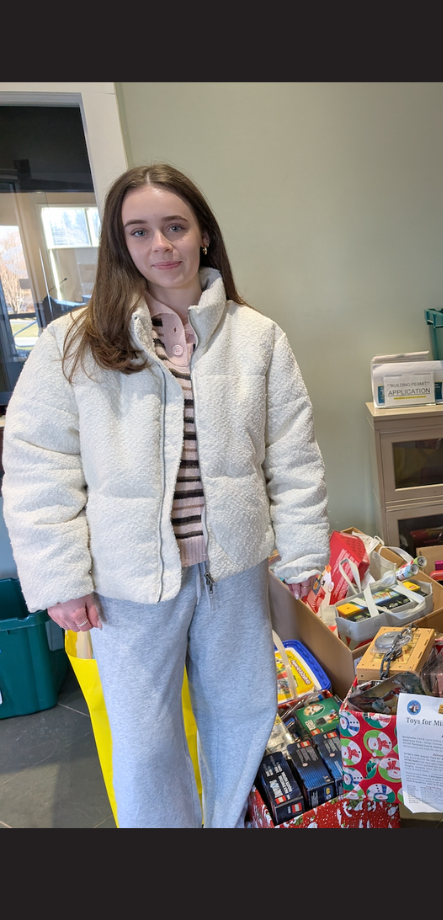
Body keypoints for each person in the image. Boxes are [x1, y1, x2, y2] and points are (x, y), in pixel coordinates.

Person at [1, 164, 330, 828]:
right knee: (146, 744)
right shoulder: (76, 343)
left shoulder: (257, 337)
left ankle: (230, 824)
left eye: (175, 227)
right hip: (128, 584)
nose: (162, 246)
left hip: (230, 572)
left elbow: (293, 453)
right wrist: (62, 578)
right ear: (121, 245)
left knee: (243, 713)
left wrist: (300, 552)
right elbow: (39, 465)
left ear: (203, 235)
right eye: (141, 231)